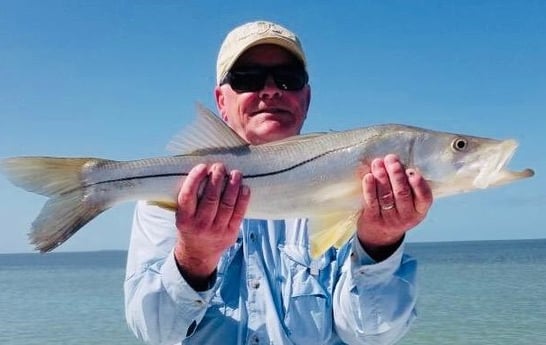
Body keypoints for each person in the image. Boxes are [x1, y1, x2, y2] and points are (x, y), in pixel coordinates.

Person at [124, 20, 433, 345]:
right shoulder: (173, 196)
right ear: (220, 102)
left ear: (307, 97)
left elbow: (369, 335)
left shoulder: (357, 189)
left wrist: (380, 244)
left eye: (288, 79)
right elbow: (156, 332)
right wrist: (195, 257)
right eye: (248, 79)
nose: (271, 90)